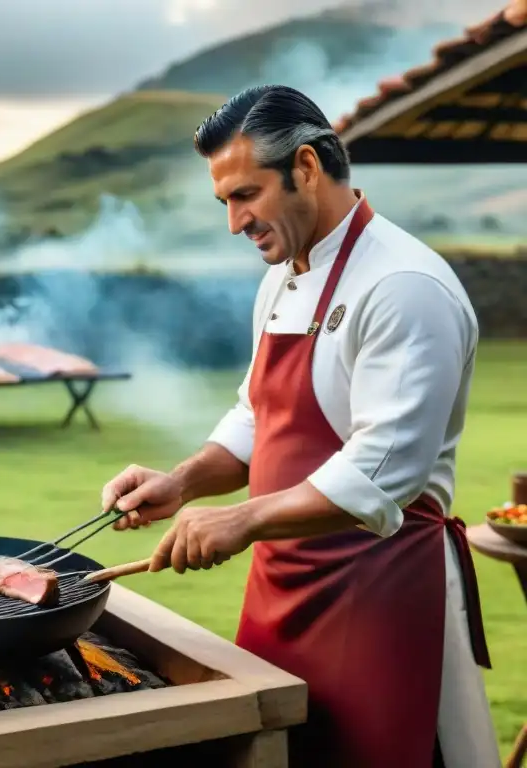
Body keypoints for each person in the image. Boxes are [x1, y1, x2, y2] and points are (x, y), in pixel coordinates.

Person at [100, 85, 499, 768]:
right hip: (281, 590)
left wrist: (242, 520)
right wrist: (183, 483)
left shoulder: (404, 285)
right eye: (224, 201)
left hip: (381, 597)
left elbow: (384, 470)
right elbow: (259, 415)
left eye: (245, 195)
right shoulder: (283, 277)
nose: (235, 222)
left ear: (307, 167)